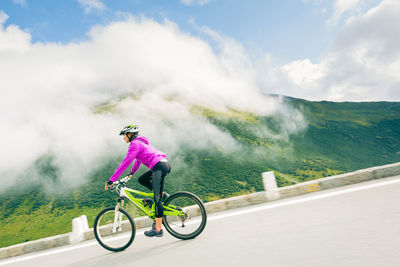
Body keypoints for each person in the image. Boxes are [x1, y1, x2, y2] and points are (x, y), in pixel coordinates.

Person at [106, 125, 170, 237]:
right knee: (142, 180)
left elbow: (126, 162)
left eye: (124, 135)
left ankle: (158, 229)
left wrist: (112, 180)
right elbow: (138, 160)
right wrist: (132, 172)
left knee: (157, 198)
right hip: (162, 164)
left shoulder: (134, 144)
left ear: (130, 135)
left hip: (158, 166)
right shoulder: (140, 143)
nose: (123, 138)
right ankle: (162, 194)